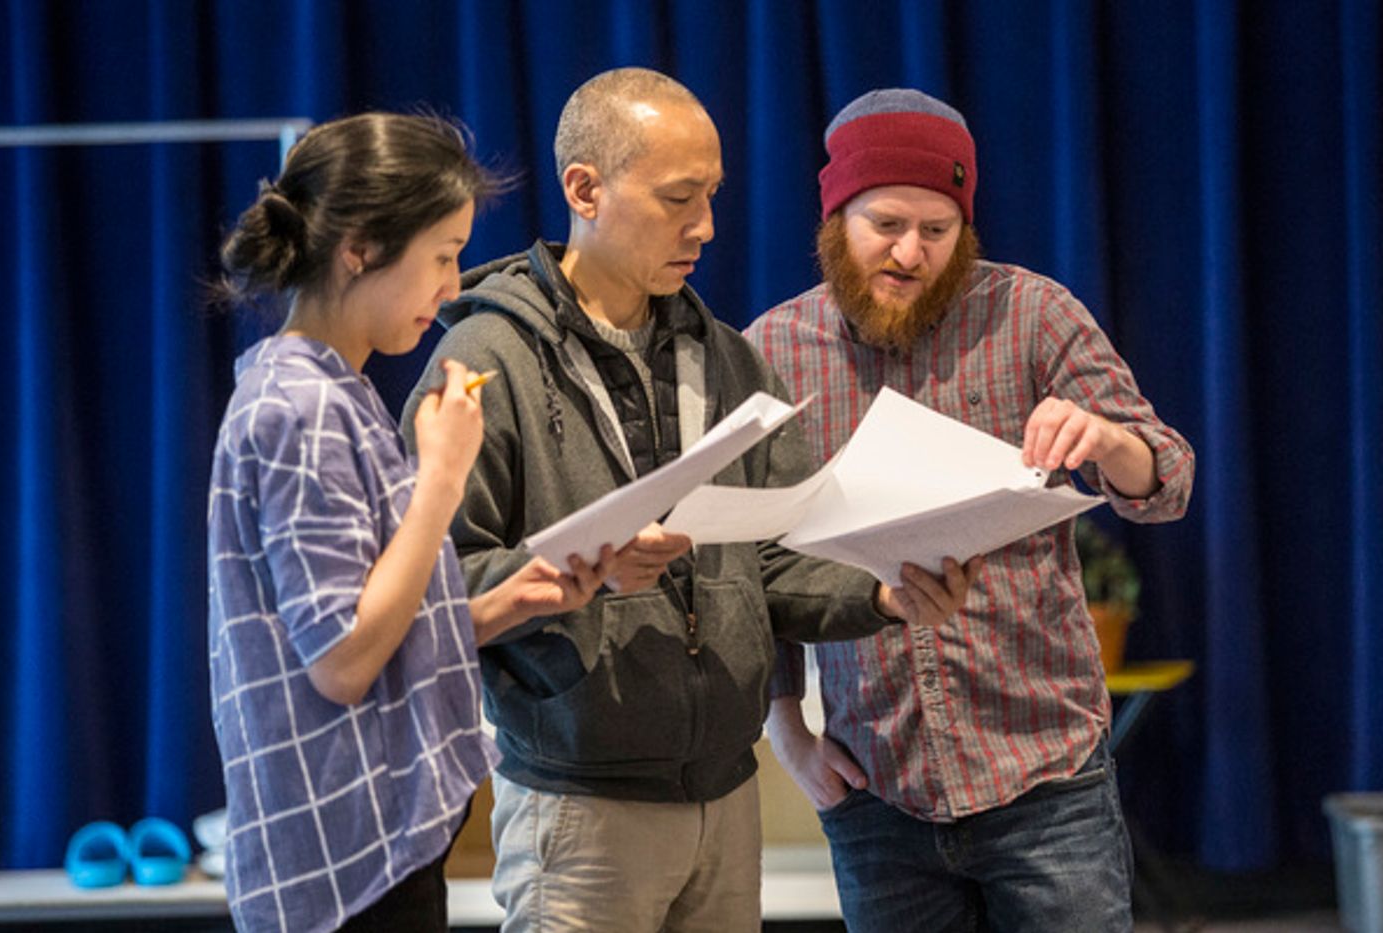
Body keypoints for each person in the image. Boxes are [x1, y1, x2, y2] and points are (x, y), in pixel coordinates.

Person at [400, 69, 977, 932]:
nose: (705, 225)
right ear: (584, 190)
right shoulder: (487, 360)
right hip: (580, 807)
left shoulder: (727, 358)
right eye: (678, 198)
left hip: (724, 791)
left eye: (711, 194)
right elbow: (429, 583)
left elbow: (776, 551)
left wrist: (880, 592)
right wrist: (582, 572)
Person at [745, 88, 1196, 933]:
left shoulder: (1032, 315)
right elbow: (752, 564)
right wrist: (788, 732)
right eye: (885, 223)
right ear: (835, 213)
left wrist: (1105, 437)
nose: (910, 252)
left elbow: (1166, 480)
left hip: (1044, 777)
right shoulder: (770, 351)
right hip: (877, 785)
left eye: (936, 229)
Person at [207, 112, 612, 933]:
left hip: (376, 855)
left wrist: (510, 604)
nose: (453, 285)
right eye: (440, 255)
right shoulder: (302, 406)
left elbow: (367, 624)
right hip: (345, 873)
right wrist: (441, 475)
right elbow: (343, 662)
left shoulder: (334, 390)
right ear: (358, 248)